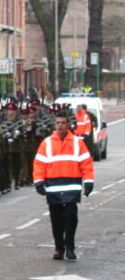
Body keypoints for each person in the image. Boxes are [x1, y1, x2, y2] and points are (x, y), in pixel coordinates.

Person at [33, 110, 94, 261]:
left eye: (63, 123)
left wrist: (88, 182)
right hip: (53, 187)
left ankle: (70, 248)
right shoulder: (47, 143)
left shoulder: (77, 142)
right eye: (58, 123)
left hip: (72, 186)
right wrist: (38, 181)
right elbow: (39, 164)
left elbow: (86, 163)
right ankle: (59, 248)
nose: (60, 125)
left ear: (68, 124)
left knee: (71, 217)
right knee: (56, 220)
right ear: (55, 124)